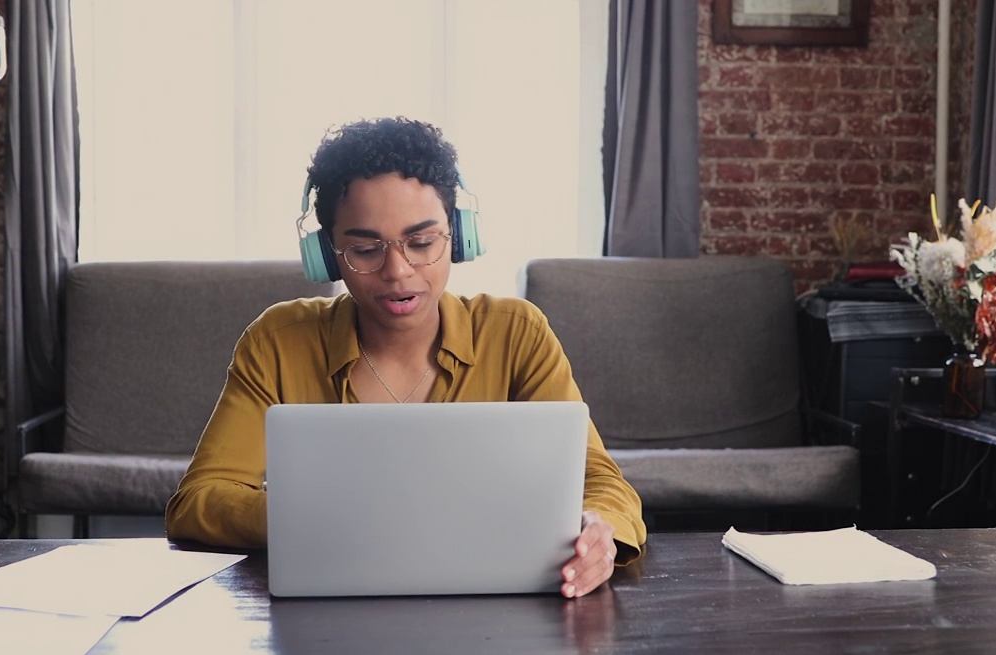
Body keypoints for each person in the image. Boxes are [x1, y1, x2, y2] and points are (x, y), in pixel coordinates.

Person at [166, 117, 646, 598]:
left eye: (421, 242)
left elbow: (601, 479)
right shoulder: (277, 341)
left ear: (457, 236)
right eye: (364, 248)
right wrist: (305, 517)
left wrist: (599, 531)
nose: (398, 271)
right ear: (328, 255)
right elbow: (198, 501)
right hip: (329, 619)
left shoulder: (517, 332)